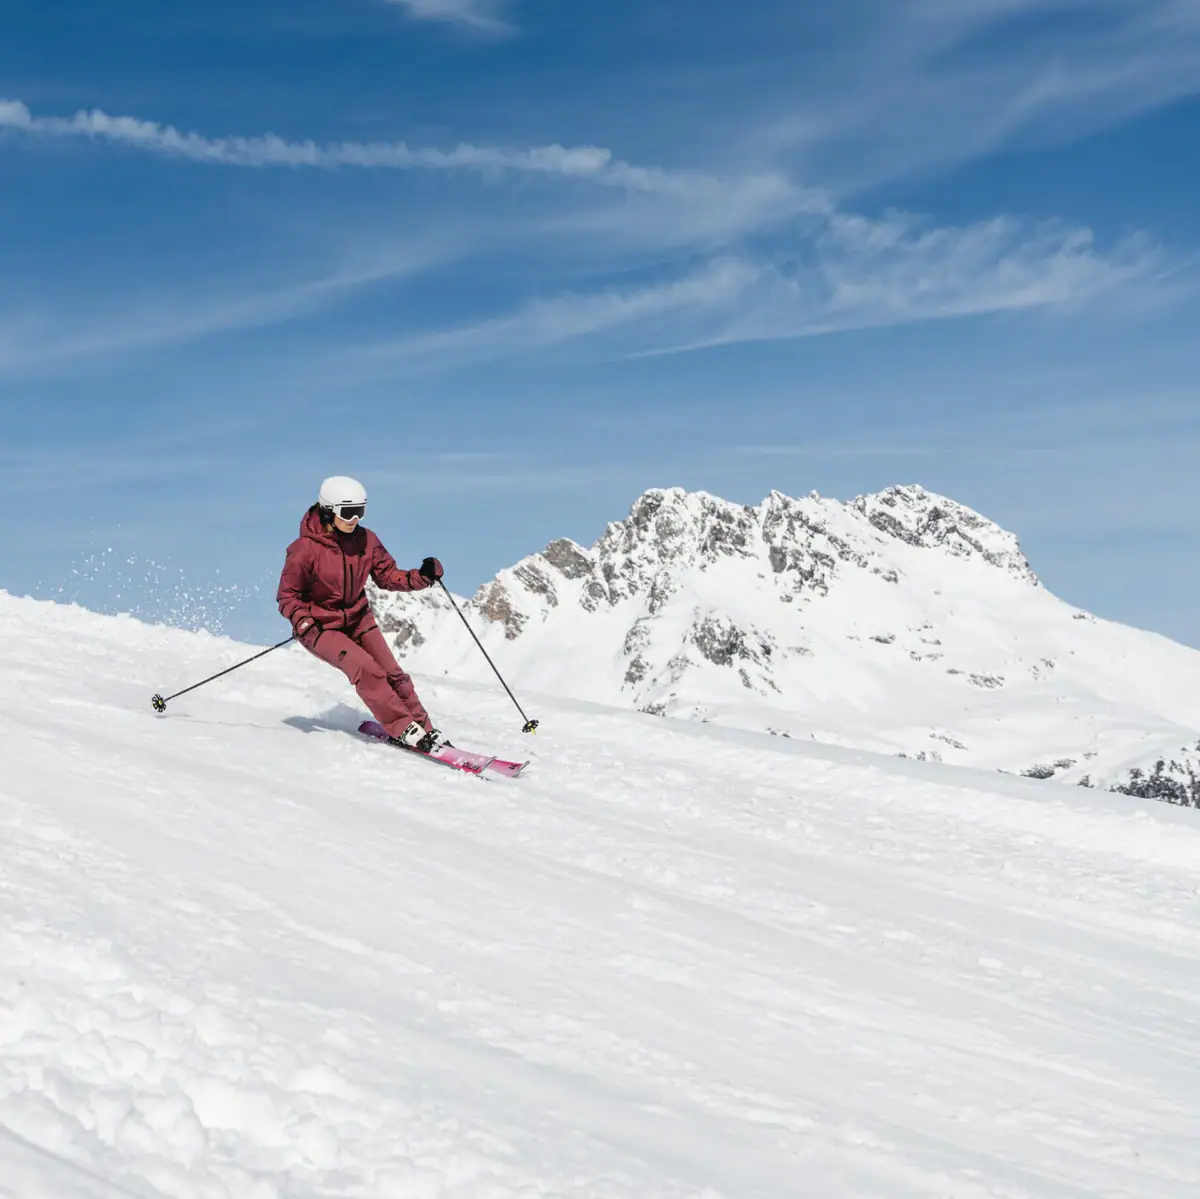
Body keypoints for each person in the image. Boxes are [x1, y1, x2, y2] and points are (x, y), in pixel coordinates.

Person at [277, 475, 445, 752]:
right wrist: (304, 621)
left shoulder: (367, 540)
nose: (355, 519)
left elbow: (388, 576)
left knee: (394, 675)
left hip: (358, 619)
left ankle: (424, 730)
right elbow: (287, 596)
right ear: (328, 511)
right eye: (349, 512)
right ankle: (403, 727)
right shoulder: (304, 550)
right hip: (321, 627)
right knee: (367, 671)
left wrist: (422, 577)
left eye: (361, 511)